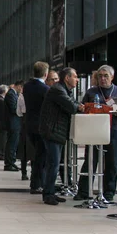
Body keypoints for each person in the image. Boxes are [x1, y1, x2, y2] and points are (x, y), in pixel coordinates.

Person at [76, 65, 117, 202]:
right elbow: (83, 109)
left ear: (112, 77)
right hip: (93, 131)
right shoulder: (91, 92)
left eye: (105, 76)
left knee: (112, 163)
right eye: (100, 76)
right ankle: (84, 191)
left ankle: (108, 193)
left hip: (113, 130)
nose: (102, 78)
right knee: (90, 161)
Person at [39, 67, 84, 206]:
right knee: (53, 163)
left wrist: (79, 105)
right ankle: (48, 195)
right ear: (67, 78)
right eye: (75, 76)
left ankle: (50, 191)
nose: (77, 79)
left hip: (56, 131)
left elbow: (73, 103)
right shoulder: (58, 89)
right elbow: (71, 106)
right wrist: (80, 107)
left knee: (54, 163)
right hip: (52, 131)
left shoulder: (64, 90)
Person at [23, 62, 50, 194]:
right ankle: (37, 184)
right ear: (46, 74)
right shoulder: (45, 89)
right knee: (42, 156)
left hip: (30, 124)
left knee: (37, 155)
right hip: (41, 126)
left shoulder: (27, 87)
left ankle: (36, 183)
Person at [4, 80, 23, 171]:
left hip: (14, 123)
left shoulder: (13, 94)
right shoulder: (11, 94)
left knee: (13, 143)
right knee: (12, 143)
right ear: (19, 86)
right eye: (22, 88)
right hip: (13, 123)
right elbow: (14, 108)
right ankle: (9, 163)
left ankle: (11, 162)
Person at [0, 85, 8, 160]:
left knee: (2, 139)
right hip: (2, 123)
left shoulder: (0, 99)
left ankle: (1, 154)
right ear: (4, 91)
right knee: (1, 139)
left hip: (1, 122)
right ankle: (1, 154)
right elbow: (3, 113)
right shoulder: (1, 100)